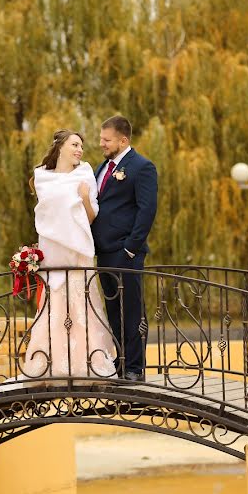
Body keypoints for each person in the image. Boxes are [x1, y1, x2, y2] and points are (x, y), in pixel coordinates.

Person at [21, 129, 117, 380]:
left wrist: (85, 197)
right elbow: (44, 214)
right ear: (60, 146)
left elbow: (91, 216)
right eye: (74, 144)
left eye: (81, 146)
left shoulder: (85, 172)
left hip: (77, 250)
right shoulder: (42, 177)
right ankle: (48, 363)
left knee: (81, 306)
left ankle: (85, 363)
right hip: (53, 251)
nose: (79, 150)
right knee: (54, 308)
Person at [90, 116, 158, 381]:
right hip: (103, 252)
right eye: (101, 139)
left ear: (123, 140)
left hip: (126, 253)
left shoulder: (142, 167)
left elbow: (147, 210)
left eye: (106, 140)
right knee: (113, 312)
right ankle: (120, 363)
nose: (101, 144)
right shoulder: (101, 168)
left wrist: (131, 247)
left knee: (132, 311)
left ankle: (135, 368)